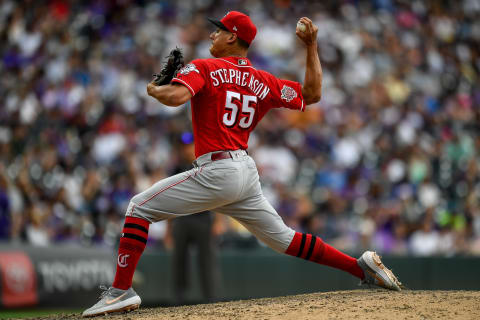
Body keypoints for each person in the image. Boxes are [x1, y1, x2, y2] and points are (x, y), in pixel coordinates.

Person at [82, 11, 402, 317]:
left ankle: (121, 290)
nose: (213, 33)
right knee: (285, 240)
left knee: (138, 208)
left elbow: (177, 98)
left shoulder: (205, 67)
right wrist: (312, 46)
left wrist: (156, 90)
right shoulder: (263, 79)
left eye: (219, 30)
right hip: (245, 172)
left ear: (232, 36)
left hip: (218, 169)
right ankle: (358, 267)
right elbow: (313, 93)